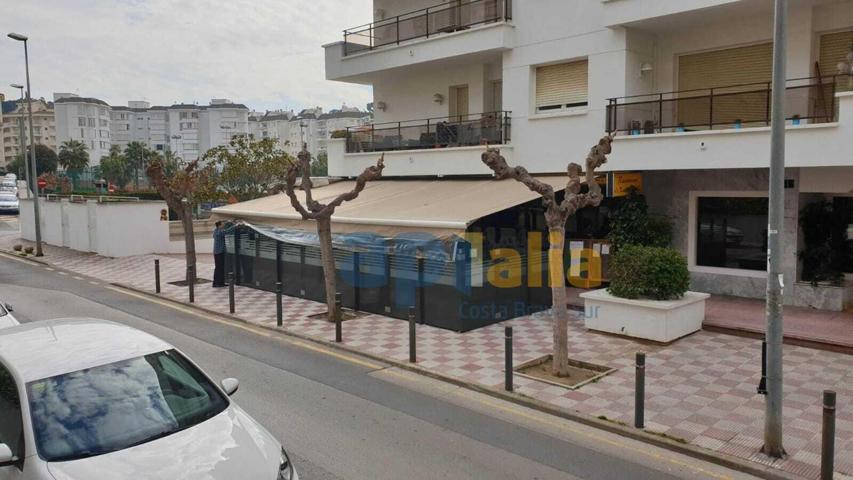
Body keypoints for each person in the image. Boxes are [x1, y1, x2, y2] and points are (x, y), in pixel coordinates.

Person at [212, 221, 227, 288]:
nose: (224, 224)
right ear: (219, 225)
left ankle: (218, 282)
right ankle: (218, 283)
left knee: (219, 268)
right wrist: (235, 226)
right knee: (219, 268)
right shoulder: (219, 232)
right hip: (219, 252)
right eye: (223, 223)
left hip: (217, 252)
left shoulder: (216, 230)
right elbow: (226, 231)